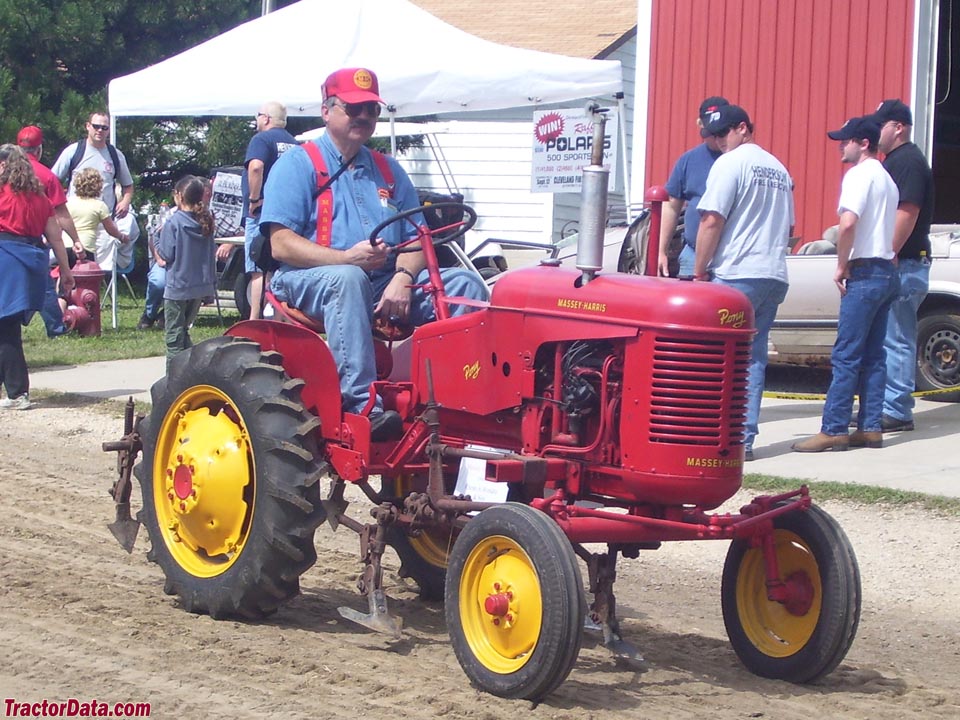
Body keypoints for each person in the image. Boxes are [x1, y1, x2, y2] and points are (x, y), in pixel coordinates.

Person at [260, 67, 486, 441]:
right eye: (354, 108)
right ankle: (360, 406)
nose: (364, 117)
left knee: (463, 283)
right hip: (305, 279)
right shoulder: (297, 165)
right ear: (326, 111)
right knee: (347, 280)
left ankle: (460, 402)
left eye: (372, 109)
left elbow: (417, 240)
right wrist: (345, 259)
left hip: (383, 282)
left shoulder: (389, 170)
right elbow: (280, 244)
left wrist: (403, 278)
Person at [693, 105, 794, 462]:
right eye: (713, 135)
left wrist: (700, 270)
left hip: (736, 272)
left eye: (723, 134)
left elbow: (711, 220)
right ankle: (743, 438)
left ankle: (714, 437)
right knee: (752, 360)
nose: (719, 141)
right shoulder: (778, 169)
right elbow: (790, 228)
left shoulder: (730, 164)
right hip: (773, 272)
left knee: (715, 360)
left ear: (742, 129)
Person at [793, 117, 900, 452]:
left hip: (864, 270)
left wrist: (841, 263)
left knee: (846, 355)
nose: (842, 145)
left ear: (863, 143)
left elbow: (849, 221)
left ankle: (834, 427)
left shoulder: (858, 175)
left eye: (846, 140)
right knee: (874, 355)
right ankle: (870, 426)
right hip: (886, 268)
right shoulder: (887, 179)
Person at [869, 99, 934, 433]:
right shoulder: (895, 161)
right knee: (889, 338)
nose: (875, 131)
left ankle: (896, 409)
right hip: (904, 262)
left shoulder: (907, 160)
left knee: (897, 339)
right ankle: (885, 407)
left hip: (905, 263)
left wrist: (888, 251)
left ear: (898, 127)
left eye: (881, 125)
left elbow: (907, 211)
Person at [0, 144, 75, 409]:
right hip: (32, 263)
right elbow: (55, 236)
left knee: (5, 330)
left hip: (6, 261)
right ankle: (14, 389)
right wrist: (65, 271)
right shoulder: (40, 199)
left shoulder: (1, 193)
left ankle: (18, 393)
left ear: (3, 166)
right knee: (6, 329)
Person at [16, 125, 82, 337]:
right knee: (44, 285)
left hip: (5, 240)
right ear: (39, 149)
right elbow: (61, 215)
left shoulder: (4, 172)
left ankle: (14, 322)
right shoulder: (46, 176)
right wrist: (75, 239)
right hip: (32, 240)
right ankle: (56, 328)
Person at [658, 96, 728, 278]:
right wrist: (661, 250)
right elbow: (672, 205)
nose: (713, 138)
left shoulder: (740, 160)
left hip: (729, 256)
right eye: (708, 132)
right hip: (692, 252)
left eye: (718, 132)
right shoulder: (689, 160)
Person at [242, 102, 299, 320]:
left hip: (261, 214)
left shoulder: (261, 139)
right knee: (280, 268)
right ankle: (280, 318)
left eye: (257, 115)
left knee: (258, 267)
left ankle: (254, 320)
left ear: (266, 118)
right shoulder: (293, 143)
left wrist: (254, 199)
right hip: (287, 214)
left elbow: (256, 166)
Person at [156, 176, 216, 372]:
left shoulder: (174, 223)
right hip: (199, 288)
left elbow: (166, 255)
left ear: (179, 196)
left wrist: (155, 239)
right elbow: (210, 256)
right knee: (184, 332)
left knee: (173, 339)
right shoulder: (205, 222)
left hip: (177, 288)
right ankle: (194, 372)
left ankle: (173, 382)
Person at [50, 110, 134, 219]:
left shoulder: (116, 155)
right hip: (76, 220)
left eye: (104, 128)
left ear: (108, 130)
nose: (100, 130)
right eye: (96, 126)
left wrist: (125, 202)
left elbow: (128, 185)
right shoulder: (73, 151)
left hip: (105, 221)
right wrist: (59, 205)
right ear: (88, 126)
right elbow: (52, 180)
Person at [65, 168, 130, 261]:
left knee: (65, 274)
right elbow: (110, 229)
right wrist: (122, 237)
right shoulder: (99, 206)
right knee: (86, 275)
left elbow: (59, 223)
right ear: (98, 186)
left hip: (66, 245)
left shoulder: (68, 202)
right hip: (86, 246)